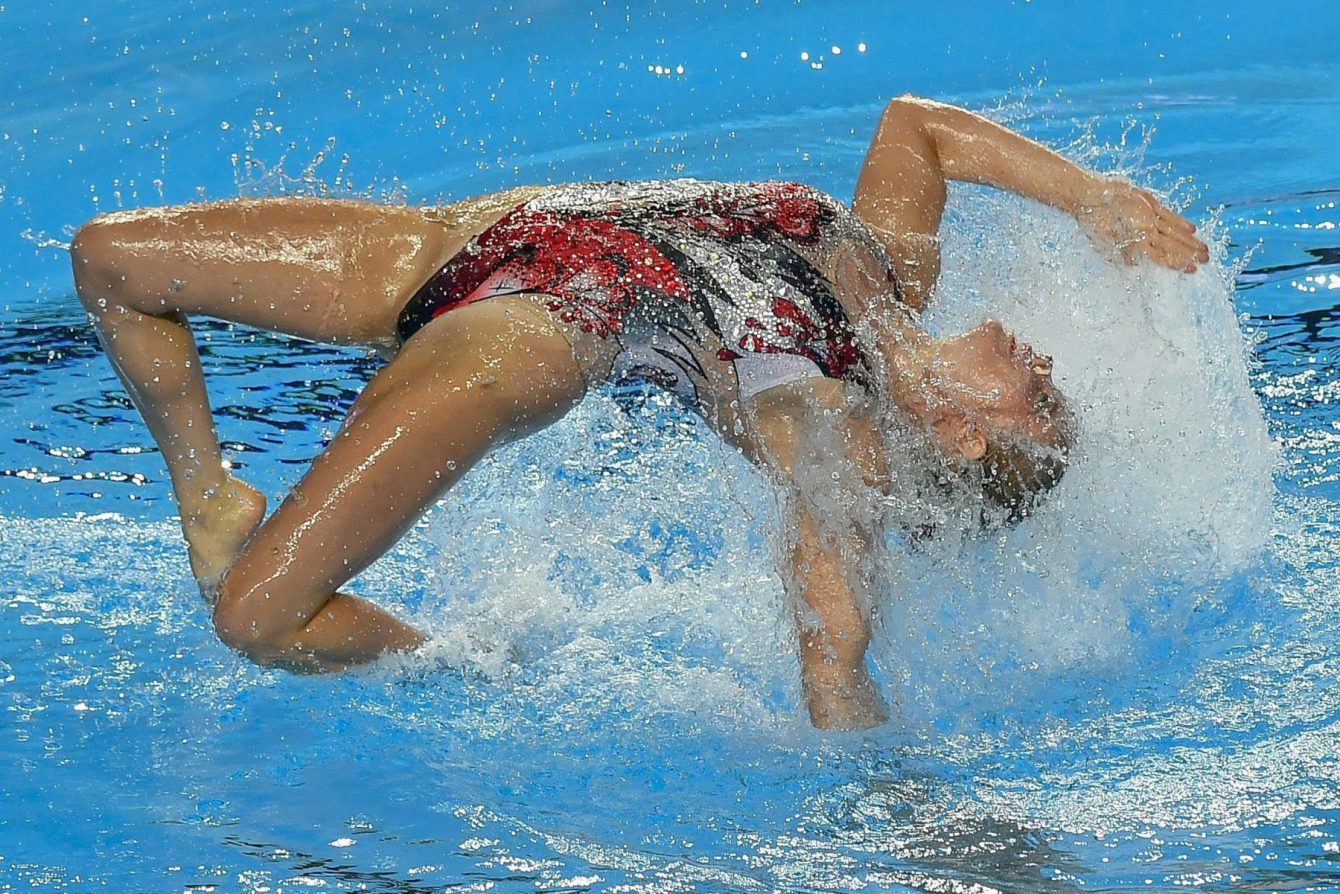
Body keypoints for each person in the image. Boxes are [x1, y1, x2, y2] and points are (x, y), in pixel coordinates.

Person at [69, 96, 1208, 729]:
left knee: (259, 621)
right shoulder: (895, 285)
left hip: (531, 324)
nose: (1041, 357)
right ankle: (210, 498)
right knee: (110, 260)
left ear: (962, 437)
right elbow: (918, 129)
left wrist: (887, 799)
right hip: (457, 239)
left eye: (1037, 398)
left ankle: (457, 665)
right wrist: (1091, 197)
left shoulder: (837, 429)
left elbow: (834, 649)